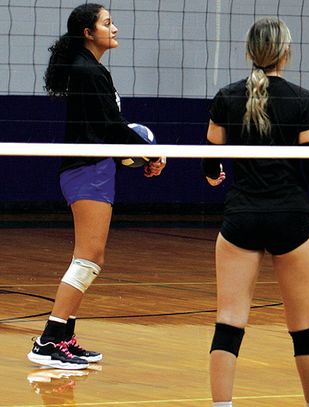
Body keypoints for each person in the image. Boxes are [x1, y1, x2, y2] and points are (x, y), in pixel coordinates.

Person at [202, 17, 309, 407]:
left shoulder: (227, 95)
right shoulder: (301, 99)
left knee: (229, 321)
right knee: (303, 327)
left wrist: (213, 173)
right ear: (286, 52)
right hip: (290, 218)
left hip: (242, 217)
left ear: (250, 53)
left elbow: (211, 152)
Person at [27, 3, 166, 370]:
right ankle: (48, 341)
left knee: (90, 258)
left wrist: (139, 155)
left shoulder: (90, 70)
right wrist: (151, 153)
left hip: (95, 168)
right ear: (88, 33)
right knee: (88, 258)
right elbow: (110, 128)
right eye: (107, 23)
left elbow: (108, 127)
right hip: (87, 170)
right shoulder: (87, 72)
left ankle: (64, 337)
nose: (115, 28)